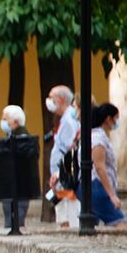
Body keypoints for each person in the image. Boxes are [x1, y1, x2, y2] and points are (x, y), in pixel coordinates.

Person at [47, 85, 82, 227]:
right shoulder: (66, 119)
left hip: (65, 175)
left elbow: (70, 150)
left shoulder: (69, 120)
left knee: (66, 216)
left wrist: (59, 172)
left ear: (61, 100)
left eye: (51, 98)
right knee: (63, 212)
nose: (48, 101)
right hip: (61, 174)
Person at [90, 103, 127, 228]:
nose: (117, 122)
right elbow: (100, 167)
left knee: (91, 226)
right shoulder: (98, 139)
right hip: (98, 186)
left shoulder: (94, 136)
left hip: (94, 185)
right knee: (120, 223)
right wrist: (112, 195)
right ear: (108, 118)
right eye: (115, 118)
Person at [0, 105, 32, 230]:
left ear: (16, 121)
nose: (2, 122)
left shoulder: (22, 138)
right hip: (10, 184)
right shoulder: (10, 137)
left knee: (16, 217)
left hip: (19, 184)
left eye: (5, 119)